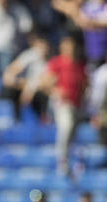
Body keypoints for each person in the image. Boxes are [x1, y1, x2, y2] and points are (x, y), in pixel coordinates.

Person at [39, 34, 87, 175]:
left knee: (76, 135)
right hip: (62, 104)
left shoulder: (79, 65)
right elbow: (44, 83)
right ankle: (62, 162)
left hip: (77, 105)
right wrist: (55, 91)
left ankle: (77, 164)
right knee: (66, 127)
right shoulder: (57, 63)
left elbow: (84, 86)